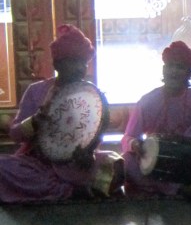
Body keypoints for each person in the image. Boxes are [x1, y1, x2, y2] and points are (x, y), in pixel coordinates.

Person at [0, 24, 123, 203]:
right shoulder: (36, 91)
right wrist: (34, 121)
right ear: (57, 64)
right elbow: (15, 134)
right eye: (74, 61)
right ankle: (69, 191)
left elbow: (93, 137)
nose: (81, 68)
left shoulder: (91, 96)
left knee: (116, 168)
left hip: (76, 165)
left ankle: (60, 189)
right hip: (37, 163)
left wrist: (89, 155)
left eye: (84, 62)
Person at [121, 40, 191, 198]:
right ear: (163, 69)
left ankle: (174, 186)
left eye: (180, 67)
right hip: (158, 164)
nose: (174, 72)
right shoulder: (148, 101)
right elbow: (128, 137)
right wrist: (134, 143)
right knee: (127, 162)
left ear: (189, 73)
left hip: (187, 162)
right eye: (170, 66)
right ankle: (178, 189)